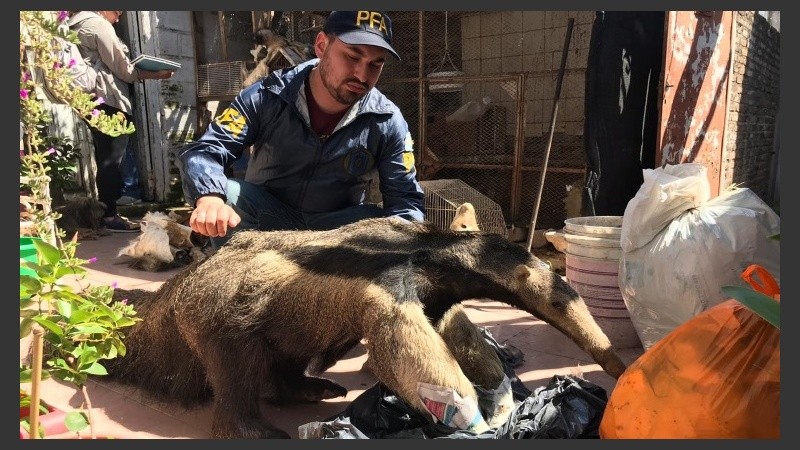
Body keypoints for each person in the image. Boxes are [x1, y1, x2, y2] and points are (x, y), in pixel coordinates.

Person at [177, 10, 425, 246]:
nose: (362, 76)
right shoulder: (265, 96)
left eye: (375, 64)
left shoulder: (387, 120)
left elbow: (405, 201)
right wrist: (209, 197)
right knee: (228, 196)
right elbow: (206, 150)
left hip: (336, 230)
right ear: (321, 46)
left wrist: (411, 249)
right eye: (351, 57)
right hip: (267, 219)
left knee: (386, 225)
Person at [68, 11, 173, 231]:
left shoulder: (75, 25)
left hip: (90, 100)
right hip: (109, 99)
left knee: (105, 155)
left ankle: (104, 213)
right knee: (111, 160)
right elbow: (124, 70)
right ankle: (109, 216)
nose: (118, 18)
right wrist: (156, 74)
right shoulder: (99, 26)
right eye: (118, 12)